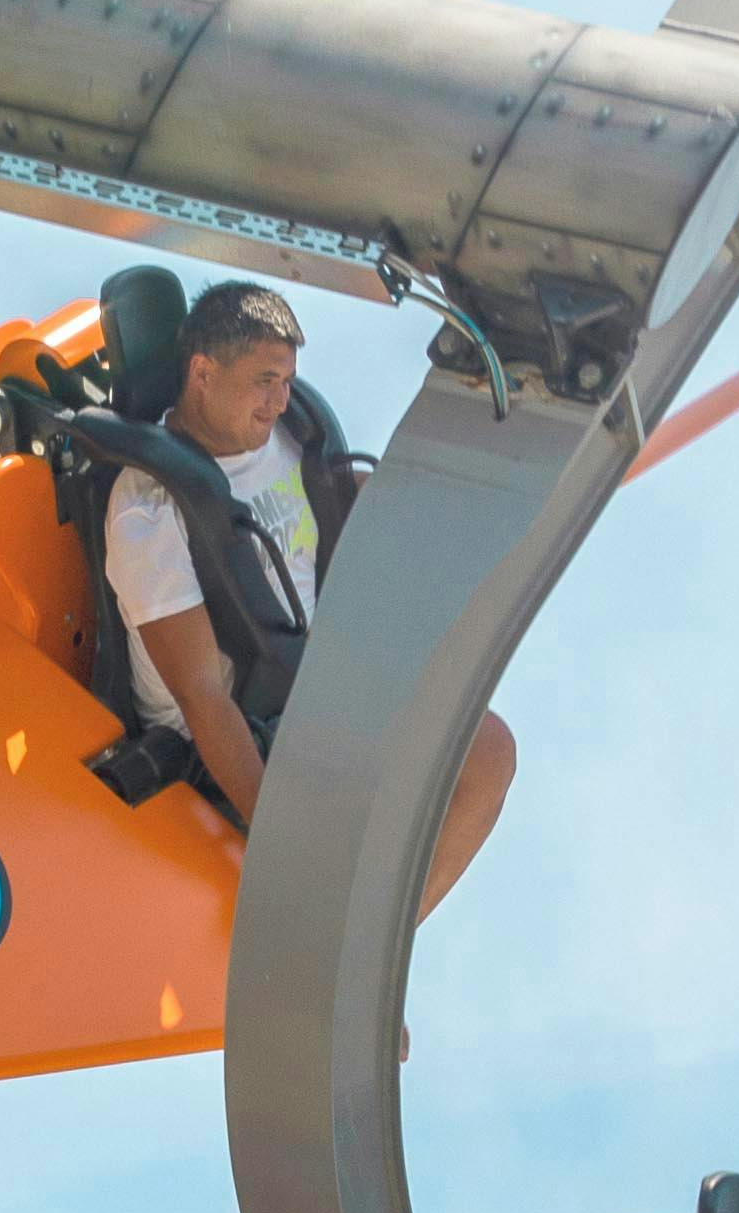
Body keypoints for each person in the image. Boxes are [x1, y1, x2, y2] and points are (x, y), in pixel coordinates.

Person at [93, 280, 515, 901]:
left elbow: (335, 502)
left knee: (487, 754)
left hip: (309, 682)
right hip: (230, 737)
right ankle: (317, 915)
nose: (278, 400)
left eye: (287, 380)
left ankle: (380, 935)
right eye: (264, 381)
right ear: (203, 373)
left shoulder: (289, 430)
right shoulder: (149, 514)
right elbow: (203, 698)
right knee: (340, 829)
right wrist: (279, 844)